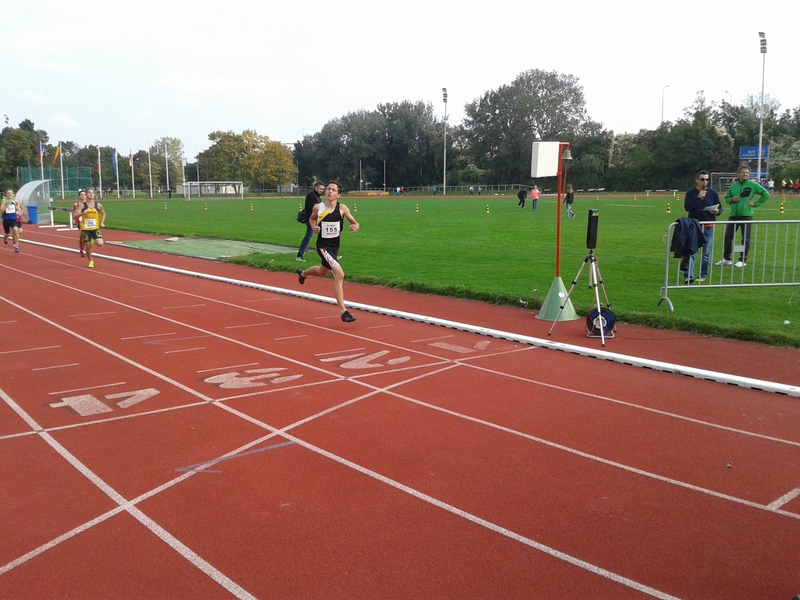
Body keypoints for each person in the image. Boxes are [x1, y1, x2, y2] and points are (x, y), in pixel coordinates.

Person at [296, 181, 360, 322]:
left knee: (322, 271)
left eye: (333, 190)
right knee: (339, 274)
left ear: (338, 195)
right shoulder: (318, 207)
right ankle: (343, 312)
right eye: (328, 189)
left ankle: (303, 273)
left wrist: (355, 226)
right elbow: (311, 219)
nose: (330, 191)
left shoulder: (342, 208)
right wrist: (313, 227)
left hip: (334, 247)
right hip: (323, 246)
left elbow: (355, 223)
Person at [717, 165, 769, 268]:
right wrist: (732, 199)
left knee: (745, 238)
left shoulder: (753, 185)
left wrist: (755, 204)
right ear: (738, 174)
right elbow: (727, 198)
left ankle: (742, 260)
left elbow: (766, 194)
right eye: (743, 172)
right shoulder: (733, 186)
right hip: (733, 215)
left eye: (747, 173)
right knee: (728, 237)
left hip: (746, 215)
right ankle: (726, 259)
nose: (745, 174)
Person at [683, 170, 720, 283]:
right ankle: (689, 276)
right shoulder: (691, 193)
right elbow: (687, 207)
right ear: (697, 180)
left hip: (709, 226)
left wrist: (717, 211)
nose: (705, 182)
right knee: (692, 252)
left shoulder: (713, 193)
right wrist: (698, 198)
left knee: (706, 254)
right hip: (695, 226)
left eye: (707, 179)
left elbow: (720, 208)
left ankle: (703, 275)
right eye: (702, 179)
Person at [72, 187, 106, 268]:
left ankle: (92, 238)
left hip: (95, 228)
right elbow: (74, 216)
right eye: (89, 193)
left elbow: (103, 213)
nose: (91, 194)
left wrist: (102, 222)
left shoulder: (98, 205)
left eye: (92, 193)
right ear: (86, 194)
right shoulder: (82, 205)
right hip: (85, 228)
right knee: (87, 245)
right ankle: (90, 261)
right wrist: (82, 213)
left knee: (100, 244)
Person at [296, 182, 324, 262]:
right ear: (315, 188)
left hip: (317, 219)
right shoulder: (311, 196)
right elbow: (314, 208)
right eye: (320, 189)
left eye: (322, 189)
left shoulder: (317, 196)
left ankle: (330, 255)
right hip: (311, 219)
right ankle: (299, 256)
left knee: (324, 237)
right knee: (308, 237)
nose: (322, 190)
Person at [1, 189, 22, 253]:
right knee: (7, 233)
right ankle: (5, 238)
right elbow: (1, 210)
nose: (10, 194)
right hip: (6, 219)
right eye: (8, 193)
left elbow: (20, 208)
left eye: (11, 193)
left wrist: (20, 212)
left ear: (13, 194)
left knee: (15, 230)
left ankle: (16, 247)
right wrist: (8, 204)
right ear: (6, 194)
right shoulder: (4, 200)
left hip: (13, 219)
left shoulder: (15, 201)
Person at [72, 189, 87, 256]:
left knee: (86, 237)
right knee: (82, 235)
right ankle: (82, 247)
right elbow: (73, 212)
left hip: (87, 221)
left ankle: (82, 247)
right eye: (81, 195)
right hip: (80, 221)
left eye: (84, 195)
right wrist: (73, 219)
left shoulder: (89, 204)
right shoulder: (76, 204)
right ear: (79, 196)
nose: (83, 196)